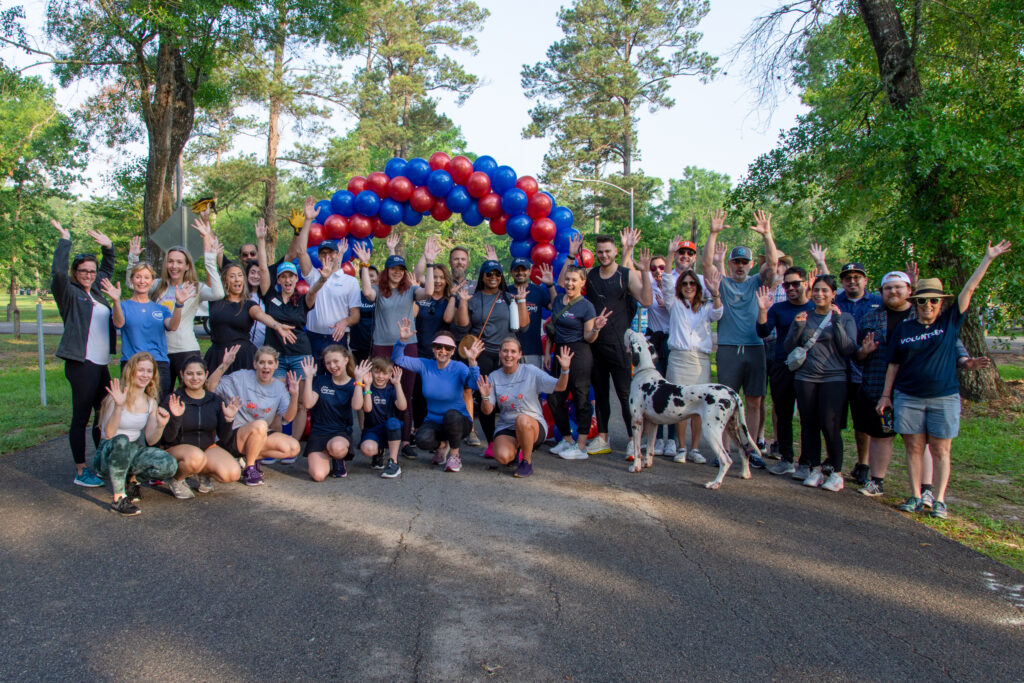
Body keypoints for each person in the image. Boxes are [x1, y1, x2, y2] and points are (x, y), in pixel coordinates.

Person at [877, 240, 1011, 518]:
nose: (928, 304)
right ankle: (915, 495)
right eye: (923, 300)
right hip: (909, 397)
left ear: (941, 303)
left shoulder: (949, 323)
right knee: (913, 447)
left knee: (940, 449)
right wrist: (886, 395)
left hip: (944, 397)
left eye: (934, 300)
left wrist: (987, 259)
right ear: (915, 303)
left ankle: (938, 499)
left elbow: (970, 289)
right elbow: (893, 364)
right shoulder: (904, 329)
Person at [855, 270, 980, 499]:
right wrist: (863, 353)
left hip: (916, 390)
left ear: (908, 290)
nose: (893, 291)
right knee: (882, 434)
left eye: (898, 287)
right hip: (880, 387)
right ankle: (877, 482)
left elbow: (953, 343)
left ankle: (927, 489)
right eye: (888, 288)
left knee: (921, 441)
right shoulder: (871, 318)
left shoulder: (927, 316)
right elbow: (862, 354)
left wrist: (964, 361)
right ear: (881, 292)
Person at [560, 230, 652, 458]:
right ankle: (603, 438)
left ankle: (633, 440)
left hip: (620, 345)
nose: (603, 255)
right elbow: (565, 283)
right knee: (600, 394)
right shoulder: (589, 275)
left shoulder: (625, 275)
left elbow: (647, 300)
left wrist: (646, 272)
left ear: (615, 252)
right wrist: (571, 257)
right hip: (595, 344)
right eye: (599, 252)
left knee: (625, 394)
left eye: (607, 251)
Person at [701, 210, 779, 467]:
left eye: (744, 262)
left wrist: (767, 235)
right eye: (736, 262)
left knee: (754, 401)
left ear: (750, 265)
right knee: (725, 402)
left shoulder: (758, 283)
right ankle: (723, 451)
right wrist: (712, 234)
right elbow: (706, 266)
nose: (740, 266)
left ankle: (751, 449)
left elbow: (774, 264)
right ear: (731, 264)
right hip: (727, 349)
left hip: (755, 347)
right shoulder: (722, 283)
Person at [354, 237, 439, 453]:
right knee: (377, 389)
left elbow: (428, 292)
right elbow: (366, 292)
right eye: (393, 268)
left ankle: (405, 440)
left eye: (401, 269)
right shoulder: (379, 291)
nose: (397, 272)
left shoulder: (410, 290)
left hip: (407, 348)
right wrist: (364, 265)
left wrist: (429, 263)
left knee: (404, 393)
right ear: (387, 270)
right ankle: (377, 435)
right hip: (382, 347)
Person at [50, 220, 117, 487]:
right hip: (82, 365)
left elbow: (108, 268)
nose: (89, 274)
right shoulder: (68, 293)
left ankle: (99, 464)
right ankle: (81, 470)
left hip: (101, 365)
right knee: (81, 418)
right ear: (75, 272)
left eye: (92, 270)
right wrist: (65, 241)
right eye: (83, 271)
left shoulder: (99, 292)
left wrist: (109, 247)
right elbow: (57, 273)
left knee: (104, 417)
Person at [125, 217, 225, 388]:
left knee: (190, 393)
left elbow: (218, 293)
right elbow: (131, 283)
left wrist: (210, 259)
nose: (174, 266)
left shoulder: (194, 287)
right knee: (161, 396)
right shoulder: (157, 285)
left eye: (179, 262)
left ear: (187, 266)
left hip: (185, 349)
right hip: (159, 352)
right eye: (170, 261)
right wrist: (133, 259)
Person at [784, 275, 858, 491]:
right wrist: (798, 327)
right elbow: (789, 347)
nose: (819, 294)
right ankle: (815, 468)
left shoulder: (845, 318)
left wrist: (836, 323)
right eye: (816, 290)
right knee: (809, 424)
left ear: (834, 294)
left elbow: (848, 349)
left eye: (825, 290)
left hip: (834, 378)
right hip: (805, 377)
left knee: (830, 424)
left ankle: (835, 472)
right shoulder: (804, 316)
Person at [455, 259, 530, 455]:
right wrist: (463, 302)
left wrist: (521, 301)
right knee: (486, 398)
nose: (494, 277)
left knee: (513, 398)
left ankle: (518, 441)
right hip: (484, 354)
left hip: (507, 355)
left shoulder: (508, 297)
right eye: (489, 274)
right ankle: (491, 442)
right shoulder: (474, 297)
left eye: (497, 274)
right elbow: (462, 326)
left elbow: (523, 326)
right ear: (483, 276)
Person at [92, 352, 178, 516]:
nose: (145, 375)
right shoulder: (116, 397)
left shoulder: (150, 401)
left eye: (149, 371)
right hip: (107, 455)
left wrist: (161, 425)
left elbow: (151, 440)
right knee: (122, 441)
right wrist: (119, 406)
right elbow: (109, 434)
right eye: (141, 370)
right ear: (131, 371)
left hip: (132, 450)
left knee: (169, 464)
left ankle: (132, 481)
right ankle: (118, 499)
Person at [393, 319, 483, 473]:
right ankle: (442, 445)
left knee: (451, 416)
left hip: (459, 421)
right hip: (434, 421)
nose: (443, 351)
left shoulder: (459, 367)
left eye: (448, 348)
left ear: (453, 351)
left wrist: (473, 362)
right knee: (421, 440)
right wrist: (402, 341)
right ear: (433, 349)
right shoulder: (425, 364)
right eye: (438, 347)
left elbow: (474, 385)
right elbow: (398, 359)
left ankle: (454, 455)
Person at [206, 345, 302, 486]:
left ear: (276, 365)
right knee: (261, 424)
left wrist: (294, 395)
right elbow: (210, 387)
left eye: (270, 363)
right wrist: (225, 364)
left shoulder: (279, 387)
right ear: (255, 364)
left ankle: (249, 456)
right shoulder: (241, 377)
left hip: (260, 434)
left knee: (293, 447)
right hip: (234, 433)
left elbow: (288, 417)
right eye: (262, 362)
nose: (265, 366)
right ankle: (250, 468)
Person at [478, 338, 573, 478]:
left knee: (522, 419)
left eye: (513, 351)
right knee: (502, 457)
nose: (508, 355)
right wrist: (485, 397)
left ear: (519, 354)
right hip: (508, 426)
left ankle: (526, 461)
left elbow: (560, 386)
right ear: (500, 353)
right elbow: (487, 411)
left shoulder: (531, 371)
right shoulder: (494, 377)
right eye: (505, 351)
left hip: (532, 424)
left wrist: (565, 370)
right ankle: (517, 450)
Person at [103, 261, 194, 399]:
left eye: (146, 277)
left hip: (158, 364)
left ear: (152, 282)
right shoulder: (123, 306)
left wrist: (179, 304)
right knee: (132, 405)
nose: (142, 281)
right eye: (138, 277)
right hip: (131, 363)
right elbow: (119, 323)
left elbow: (173, 326)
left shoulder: (161, 308)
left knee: (159, 406)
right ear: (132, 279)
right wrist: (115, 301)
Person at [756, 266, 815, 476]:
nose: (790, 288)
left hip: (809, 368)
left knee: (809, 415)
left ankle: (807, 463)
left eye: (795, 284)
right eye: (786, 284)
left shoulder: (815, 307)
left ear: (805, 284)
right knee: (782, 412)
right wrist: (763, 309)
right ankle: (786, 459)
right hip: (782, 364)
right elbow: (762, 331)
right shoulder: (778, 308)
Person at [660, 267, 723, 464]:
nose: (688, 287)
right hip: (678, 359)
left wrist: (715, 292)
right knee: (680, 404)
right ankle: (681, 447)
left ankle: (694, 448)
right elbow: (667, 284)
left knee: (697, 406)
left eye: (692, 283)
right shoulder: (674, 304)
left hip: (699, 360)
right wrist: (670, 255)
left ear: (698, 286)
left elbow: (718, 313)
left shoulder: (705, 306)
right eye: (685, 283)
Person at [255, 218, 330, 380]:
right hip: (276, 357)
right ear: (279, 280)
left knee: (303, 402)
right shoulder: (270, 296)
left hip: (300, 355)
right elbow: (262, 270)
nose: (288, 280)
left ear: (296, 279)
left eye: (291, 276)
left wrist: (322, 280)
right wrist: (261, 240)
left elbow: (313, 292)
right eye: (283, 277)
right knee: (279, 399)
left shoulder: (303, 300)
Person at [546, 265, 609, 460]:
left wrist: (596, 328)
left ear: (582, 283)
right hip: (559, 352)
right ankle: (567, 439)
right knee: (554, 397)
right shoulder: (558, 300)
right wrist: (548, 353)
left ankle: (581, 446)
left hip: (579, 353)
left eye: (575, 280)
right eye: (568, 279)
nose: (570, 283)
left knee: (580, 398)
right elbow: (551, 328)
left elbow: (589, 338)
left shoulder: (586, 306)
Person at [159, 358, 244, 499]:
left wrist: (229, 420)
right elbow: (167, 438)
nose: (194, 378)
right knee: (195, 457)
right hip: (177, 449)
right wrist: (176, 418)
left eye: (199, 373)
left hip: (206, 448)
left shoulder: (215, 400)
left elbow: (225, 438)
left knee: (232, 474)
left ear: (205, 375)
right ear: (182, 375)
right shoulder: (173, 399)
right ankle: (177, 479)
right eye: (190, 373)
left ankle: (202, 472)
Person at [835, 261, 883, 486]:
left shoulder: (877, 302)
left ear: (865, 280)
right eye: (847, 278)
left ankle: (863, 464)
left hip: (863, 371)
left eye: (856, 277)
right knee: (833, 419)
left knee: (862, 422)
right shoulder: (836, 301)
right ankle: (833, 460)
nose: (852, 281)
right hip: (837, 368)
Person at [204, 261, 296, 375]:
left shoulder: (248, 304)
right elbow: (210, 271)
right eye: (232, 276)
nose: (237, 279)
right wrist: (210, 254)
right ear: (225, 280)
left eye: (240, 275)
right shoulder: (215, 299)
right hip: (218, 356)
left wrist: (277, 325)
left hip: (243, 356)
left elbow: (261, 315)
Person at [299, 349, 370, 481]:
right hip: (319, 433)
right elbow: (308, 404)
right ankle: (326, 453)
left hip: (339, 433)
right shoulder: (321, 381)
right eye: (328, 363)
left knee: (337, 448)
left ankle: (338, 459)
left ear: (346, 360)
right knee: (318, 476)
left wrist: (359, 380)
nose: (332, 366)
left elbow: (356, 406)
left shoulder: (353, 383)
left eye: (336, 361)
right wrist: (309, 378)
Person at [413, 263, 454, 428]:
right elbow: (412, 316)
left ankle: (438, 431)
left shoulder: (450, 299)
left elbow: (448, 319)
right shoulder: (422, 297)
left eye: (441, 277)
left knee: (438, 393)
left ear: (446, 280)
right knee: (419, 393)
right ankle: (418, 428)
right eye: (434, 277)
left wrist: (453, 297)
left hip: (441, 355)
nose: (438, 281)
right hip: (420, 352)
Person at [644, 253, 676, 457]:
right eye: (653, 268)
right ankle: (655, 439)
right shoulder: (650, 287)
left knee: (672, 390)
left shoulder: (674, 288)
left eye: (662, 267)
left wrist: (668, 305)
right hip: (655, 341)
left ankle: (671, 439)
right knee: (655, 391)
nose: (657, 271)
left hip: (672, 342)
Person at [359, 358, 408, 479]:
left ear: (390, 374)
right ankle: (379, 452)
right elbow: (367, 409)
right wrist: (367, 387)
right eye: (377, 372)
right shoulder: (367, 388)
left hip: (390, 430)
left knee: (393, 422)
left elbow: (402, 407)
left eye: (385, 373)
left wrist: (397, 384)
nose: (381, 376)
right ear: (370, 372)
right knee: (367, 449)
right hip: (372, 430)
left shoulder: (391, 390)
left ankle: (393, 462)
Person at [509, 258, 555, 368]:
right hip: (510, 350)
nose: (520, 273)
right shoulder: (505, 291)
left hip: (533, 350)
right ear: (511, 272)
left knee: (533, 384)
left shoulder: (538, 291)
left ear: (529, 271)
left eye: (523, 269)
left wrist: (550, 285)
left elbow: (554, 307)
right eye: (517, 270)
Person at [349, 264, 378, 366]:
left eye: (372, 275)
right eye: (366, 276)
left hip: (378, 345)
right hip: (359, 345)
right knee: (360, 377)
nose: (370, 279)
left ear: (378, 277)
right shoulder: (355, 295)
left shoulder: (383, 296)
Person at [244, 259, 268, 348]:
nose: (255, 276)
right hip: (244, 348)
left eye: (259, 273)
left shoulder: (267, 297)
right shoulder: (241, 296)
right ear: (247, 274)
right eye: (252, 272)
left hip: (262, 349)